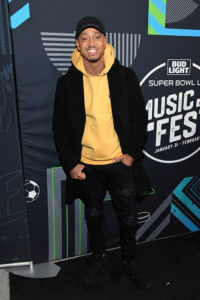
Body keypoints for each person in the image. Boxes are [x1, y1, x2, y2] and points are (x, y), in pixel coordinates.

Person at [53, 16, 152, 289]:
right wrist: (71, 163)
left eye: (96, 36)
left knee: (128, 216)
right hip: (87, 166)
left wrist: (131, 153)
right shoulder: (67, 84)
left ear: (105, 41)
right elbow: (59, 129)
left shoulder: (125, 76)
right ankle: (98, 257)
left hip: (120, 163)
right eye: (84, 38)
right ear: (77, 45)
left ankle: (130, 260)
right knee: (93, 215)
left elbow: (139, 120)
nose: (91, 42)